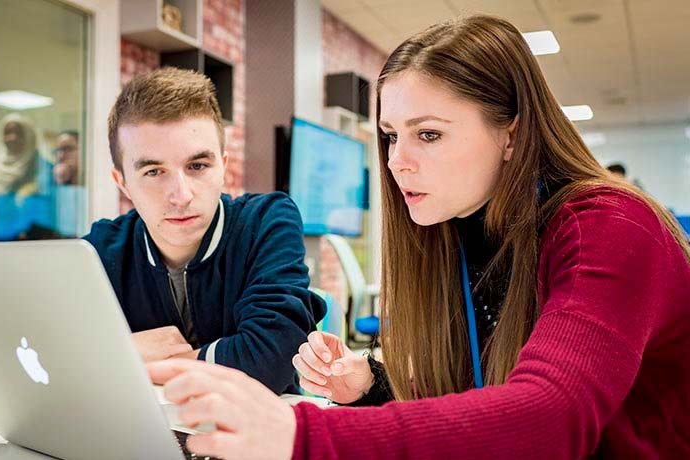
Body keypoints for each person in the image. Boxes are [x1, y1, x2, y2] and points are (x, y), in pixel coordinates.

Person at [145, 15, 690, 460]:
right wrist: (375, 385)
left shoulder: (610, 226)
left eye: (428, 134)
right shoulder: (457, 230)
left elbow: (549, 418)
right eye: (390, 136)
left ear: (512, 133)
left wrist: (299, 435)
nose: (397, 162)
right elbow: (481, 396)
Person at [0, 68, 326, 395]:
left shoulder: (267, 222)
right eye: (153, 171)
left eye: (197, 166)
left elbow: (272, 359)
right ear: (122, 182)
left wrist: (119, 363)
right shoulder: (101, 251)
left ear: (223, 167)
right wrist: (120, 351)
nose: (181, 195)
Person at [0, 113, 58, 241]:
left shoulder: (43, 169)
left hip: (33, 245)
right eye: (7, 133)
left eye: (18, 133)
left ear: (28, 136)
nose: (11, 138)